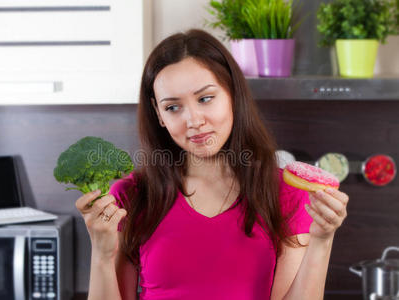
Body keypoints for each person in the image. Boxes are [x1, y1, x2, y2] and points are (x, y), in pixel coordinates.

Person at [75, 28, 349, 300]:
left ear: (232, 93)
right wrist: (101, 252)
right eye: (173, 107)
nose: (193, 120)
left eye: (205, 98)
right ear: (158, 114)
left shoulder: (285, 192)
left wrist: (322, 241)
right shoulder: (131, 196)